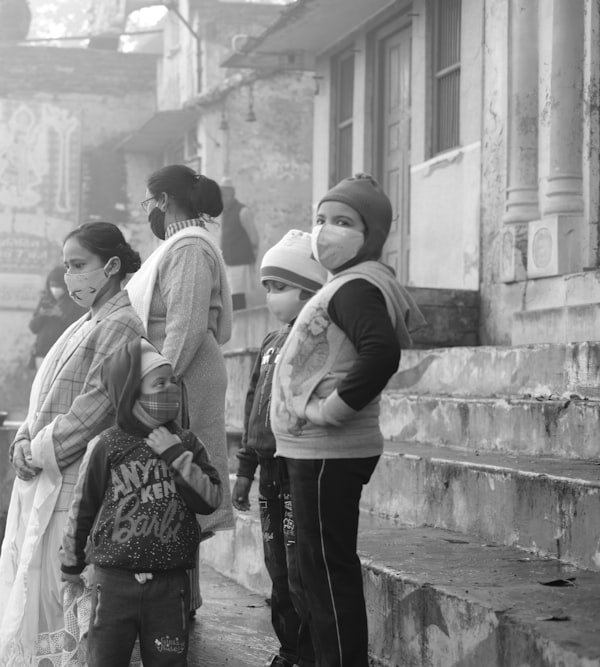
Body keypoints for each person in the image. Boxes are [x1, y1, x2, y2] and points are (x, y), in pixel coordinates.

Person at [271, 174, 426, 667]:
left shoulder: (358, 286)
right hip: (314, 452)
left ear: (372, 234)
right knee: (318, 572)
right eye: (320, 220)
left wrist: (331, 410)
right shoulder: (348, 283)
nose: (325, 231)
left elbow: (380, 354)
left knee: (326, 573)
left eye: (343, 222)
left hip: (327, 453)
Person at [0, 221, 145, 666]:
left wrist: (35, 450)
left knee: (60, 597)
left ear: (110, 266)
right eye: (66, 265)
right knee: (34, 586)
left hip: (73, 481)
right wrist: (22, 436)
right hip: (47, 470)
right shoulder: (84, 323)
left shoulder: (122, 324)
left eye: (78, 265)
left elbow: (97, 406)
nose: (69, 276)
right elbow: (43, 395)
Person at [61, 338, 223, 666]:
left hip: (170, 585)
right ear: (132, 393)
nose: (171, 390)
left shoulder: (187, 442)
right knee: (105, 660)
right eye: (159, 383)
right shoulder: (106, 446)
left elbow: (210, 500)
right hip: (112, 584)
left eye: (172, 382)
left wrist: (176, 455)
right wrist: (71, 564)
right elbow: (83, 508)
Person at [126, 163, 234, 613]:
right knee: (168, 489)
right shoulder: (179, 245)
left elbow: (185, 328)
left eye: (150, 202)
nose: (148, 211)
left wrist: (157, 389)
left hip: (184, 380)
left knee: (180, 487)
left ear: (163, 201)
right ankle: (179, 598)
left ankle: (178, 603)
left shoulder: (188, 248)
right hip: (174, 375)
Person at [231, 230, 328, 667]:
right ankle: (289, 647)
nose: (272, 297)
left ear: (310, 291)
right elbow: (254, 406)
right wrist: (246, 470)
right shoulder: (271, 344)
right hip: (268, 473)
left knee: (298, 564)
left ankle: (308, 651)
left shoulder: (315, 341)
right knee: (276, 564)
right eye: (268, 287)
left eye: (282, 288)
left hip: (299, 469)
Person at [28, 264, 85, 369]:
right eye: (52, 285)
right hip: (42, 352)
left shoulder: (76, 302)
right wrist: (41, 315)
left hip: (63, 353)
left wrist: (60, 315)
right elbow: (33, 328)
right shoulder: (46, 300)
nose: (54, 289)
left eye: (58, 286)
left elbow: (79, 329)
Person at [219, 177, 260, 311]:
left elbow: (254, 238)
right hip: (229, 263)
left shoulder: (243, 211)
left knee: (237, 299)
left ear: (230, 195)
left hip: (240, 263)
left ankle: (239, 326)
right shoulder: (225, 212)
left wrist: (253, 258)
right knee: (229, 298)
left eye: (224, 195)